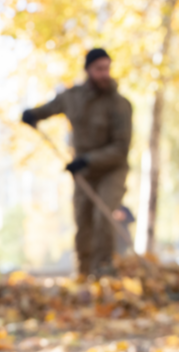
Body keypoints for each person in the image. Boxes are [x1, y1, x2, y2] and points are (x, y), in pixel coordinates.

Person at [21, 48, 133, 277]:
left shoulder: (120, 104)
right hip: (84, 172)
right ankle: (83, 275)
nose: (104, 74)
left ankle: (104, 273)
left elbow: (121, 149)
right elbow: (50, 108)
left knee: (103, 215)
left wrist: (87, 160)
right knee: (83, 222)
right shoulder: (72, 98)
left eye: (107, 68)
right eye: (99, 69)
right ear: (88, 70)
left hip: (111, 169)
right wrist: (32, 114)